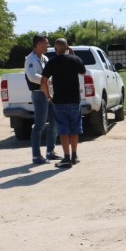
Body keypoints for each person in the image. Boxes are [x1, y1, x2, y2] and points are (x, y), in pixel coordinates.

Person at [41, 38, 87, 168]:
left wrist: (48, 96)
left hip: (59, 101)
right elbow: (83, 72)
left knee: (63, 130)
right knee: (74, 129)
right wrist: (73, 55)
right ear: (67, 47)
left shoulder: (52, 62)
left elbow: (43, 81)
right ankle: (74, 155)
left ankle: (66, 158)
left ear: (55, 49)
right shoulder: (75, 60)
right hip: (74, 100)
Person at [25, 35, 60, 165]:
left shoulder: (44, 58)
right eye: (46, 43)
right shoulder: (30, 59)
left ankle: (50, 152)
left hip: (49, 93)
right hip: (39, 94)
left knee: (53, 123)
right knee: (39, 124)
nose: (48, 45)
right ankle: (36, 156)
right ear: (38, 44)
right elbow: (32, 76)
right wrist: (46, 80)